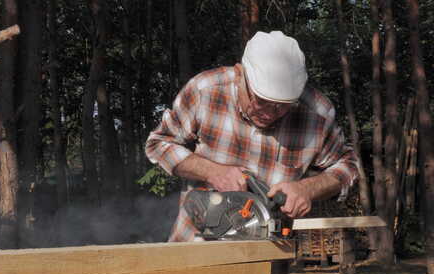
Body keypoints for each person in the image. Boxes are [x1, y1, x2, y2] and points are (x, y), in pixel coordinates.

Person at [145, 31, 358, 242]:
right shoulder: (206, 91)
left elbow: (347, 166)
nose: (270, 113)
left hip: (268, 255)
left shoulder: (317, 114)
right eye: (261, 101)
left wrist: (307, 188)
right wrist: (212, 171)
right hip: (195, 245)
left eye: (283, 107)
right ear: (239, 75)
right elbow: (159, 143)